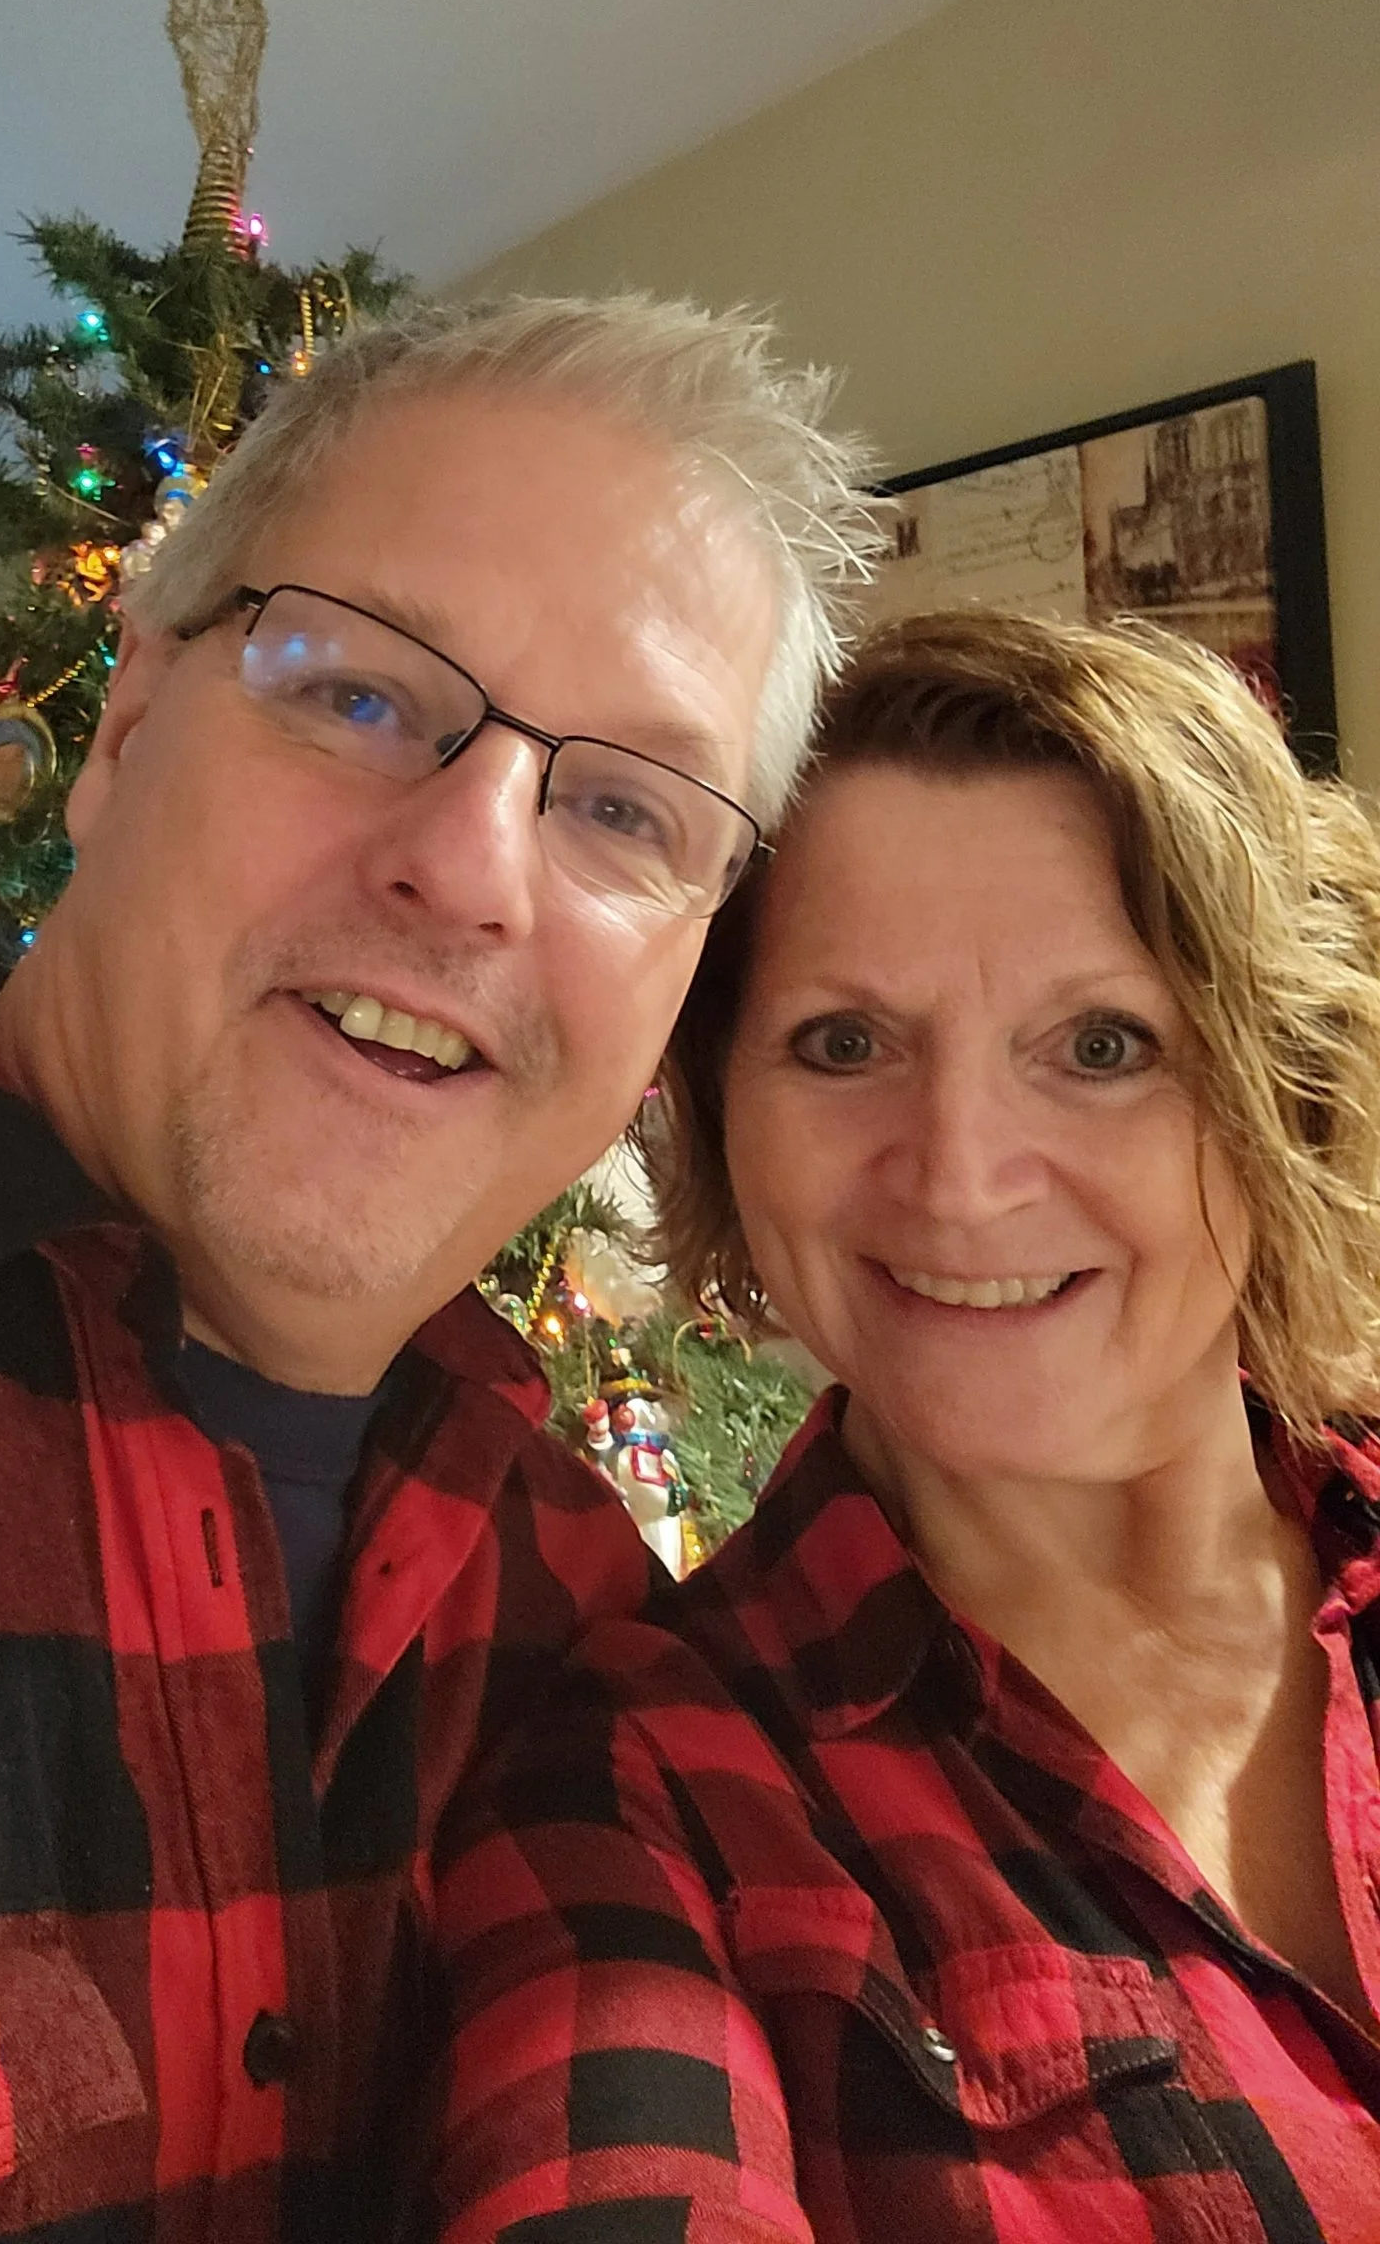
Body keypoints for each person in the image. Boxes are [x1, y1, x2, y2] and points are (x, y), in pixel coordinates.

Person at [0, 294, 879, 2244]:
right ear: (124, 724)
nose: (469, 865)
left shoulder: (570, 1608)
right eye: (363, 692)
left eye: (625, 805)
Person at [429, 608, 1380, 2242]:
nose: (956, 1173)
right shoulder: (647, 1799)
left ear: (1279, 1088)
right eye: (843, 1043)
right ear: (723, 1116)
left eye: (1101, 1047)